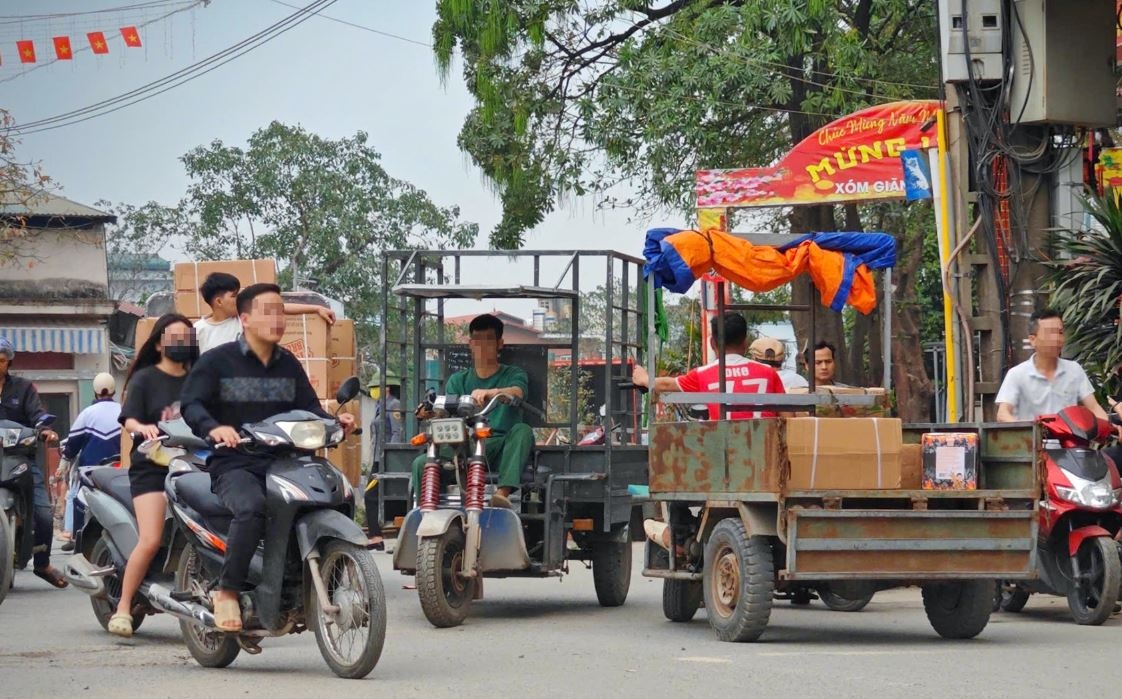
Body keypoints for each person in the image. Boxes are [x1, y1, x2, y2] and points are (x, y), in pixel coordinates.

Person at [181, 283, 355, 632]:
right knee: (251, 509)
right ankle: (228, 592)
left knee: (339, 496)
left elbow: (307, 408)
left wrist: (335, 422)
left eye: (280, 311)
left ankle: (315, 580)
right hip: (236, 461)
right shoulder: (218, 361)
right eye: (267, 311)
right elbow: (191, 404)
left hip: (286, 460)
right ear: (244, 318)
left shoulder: (287, 363)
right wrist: (214, 428)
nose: (277, 318)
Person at [108, 313, 197, 637]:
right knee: (151, 539)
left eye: (187, 338)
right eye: (175, 337)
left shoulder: (200, 380)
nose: (182, 344)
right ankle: (122, 607)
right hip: (152, 467)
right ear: (159, 343)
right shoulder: (146, 379)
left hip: (194, 466)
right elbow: (128, 419)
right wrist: (142, 427)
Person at [410, 314, 533, 510]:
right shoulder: (458, 380)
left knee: (523, 430)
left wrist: (493, 392)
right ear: (470, 343)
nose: (482, 347)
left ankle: (502, 495)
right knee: (420, 462)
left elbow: (518, 392)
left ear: (499, 343)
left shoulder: (513, 374)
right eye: (477, 341)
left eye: (488, 341)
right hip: (466, 444)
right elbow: (446, 413)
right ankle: (424, 510)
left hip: (500, 446)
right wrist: (430, 413)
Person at [0, 337, 67, 588]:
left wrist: (45, 430)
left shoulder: (24, 388)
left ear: (9, 362)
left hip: (20, 459)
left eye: (2, 360)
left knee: (43, 514)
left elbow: (38, 415)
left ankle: (42, 563)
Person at [632, 312, 786, 420]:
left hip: (724, 452)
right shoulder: (768, 373)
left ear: (713, 343)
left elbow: (666, 384)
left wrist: (644, 378)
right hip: (766, 451)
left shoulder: (702, 374)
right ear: (745, 343)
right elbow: (788, 417)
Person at [995, 308, 1115, 423]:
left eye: (1060, 332)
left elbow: (1094, 408)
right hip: (1032, 442)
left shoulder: (1074, 370)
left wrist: (1112, 428)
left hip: (1071, 442)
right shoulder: (1017, 374)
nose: (1057, 338)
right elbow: (1003, 414)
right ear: (1033, 340)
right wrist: (1028, 431)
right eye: (1049, 333)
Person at [193, 272, 337, 355]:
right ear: (218, 302)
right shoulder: (197, 330)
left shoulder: (243, 318)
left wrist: (316, 308)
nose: (240, 299)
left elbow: (280, 307)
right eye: (234, 295)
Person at [59, 373, 122, 551]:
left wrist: (65, 460)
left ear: (95, 392)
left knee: (80, 503)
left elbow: (72, 445)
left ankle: (79, 546)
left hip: (91, 473)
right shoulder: (123, 411)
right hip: (119, 473)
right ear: (114, 390)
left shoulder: (87, 414)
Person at [365, 381, 402, 549]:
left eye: (375, 387)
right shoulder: (380, 405)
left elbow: (397, 432)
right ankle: (376, 536)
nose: (372, 391)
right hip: (378, 458)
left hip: (386, 459)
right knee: (374, 496)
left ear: (386, 387)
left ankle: (376, 537)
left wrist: (390, 457)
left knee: (370, 495)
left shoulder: (394, 405)